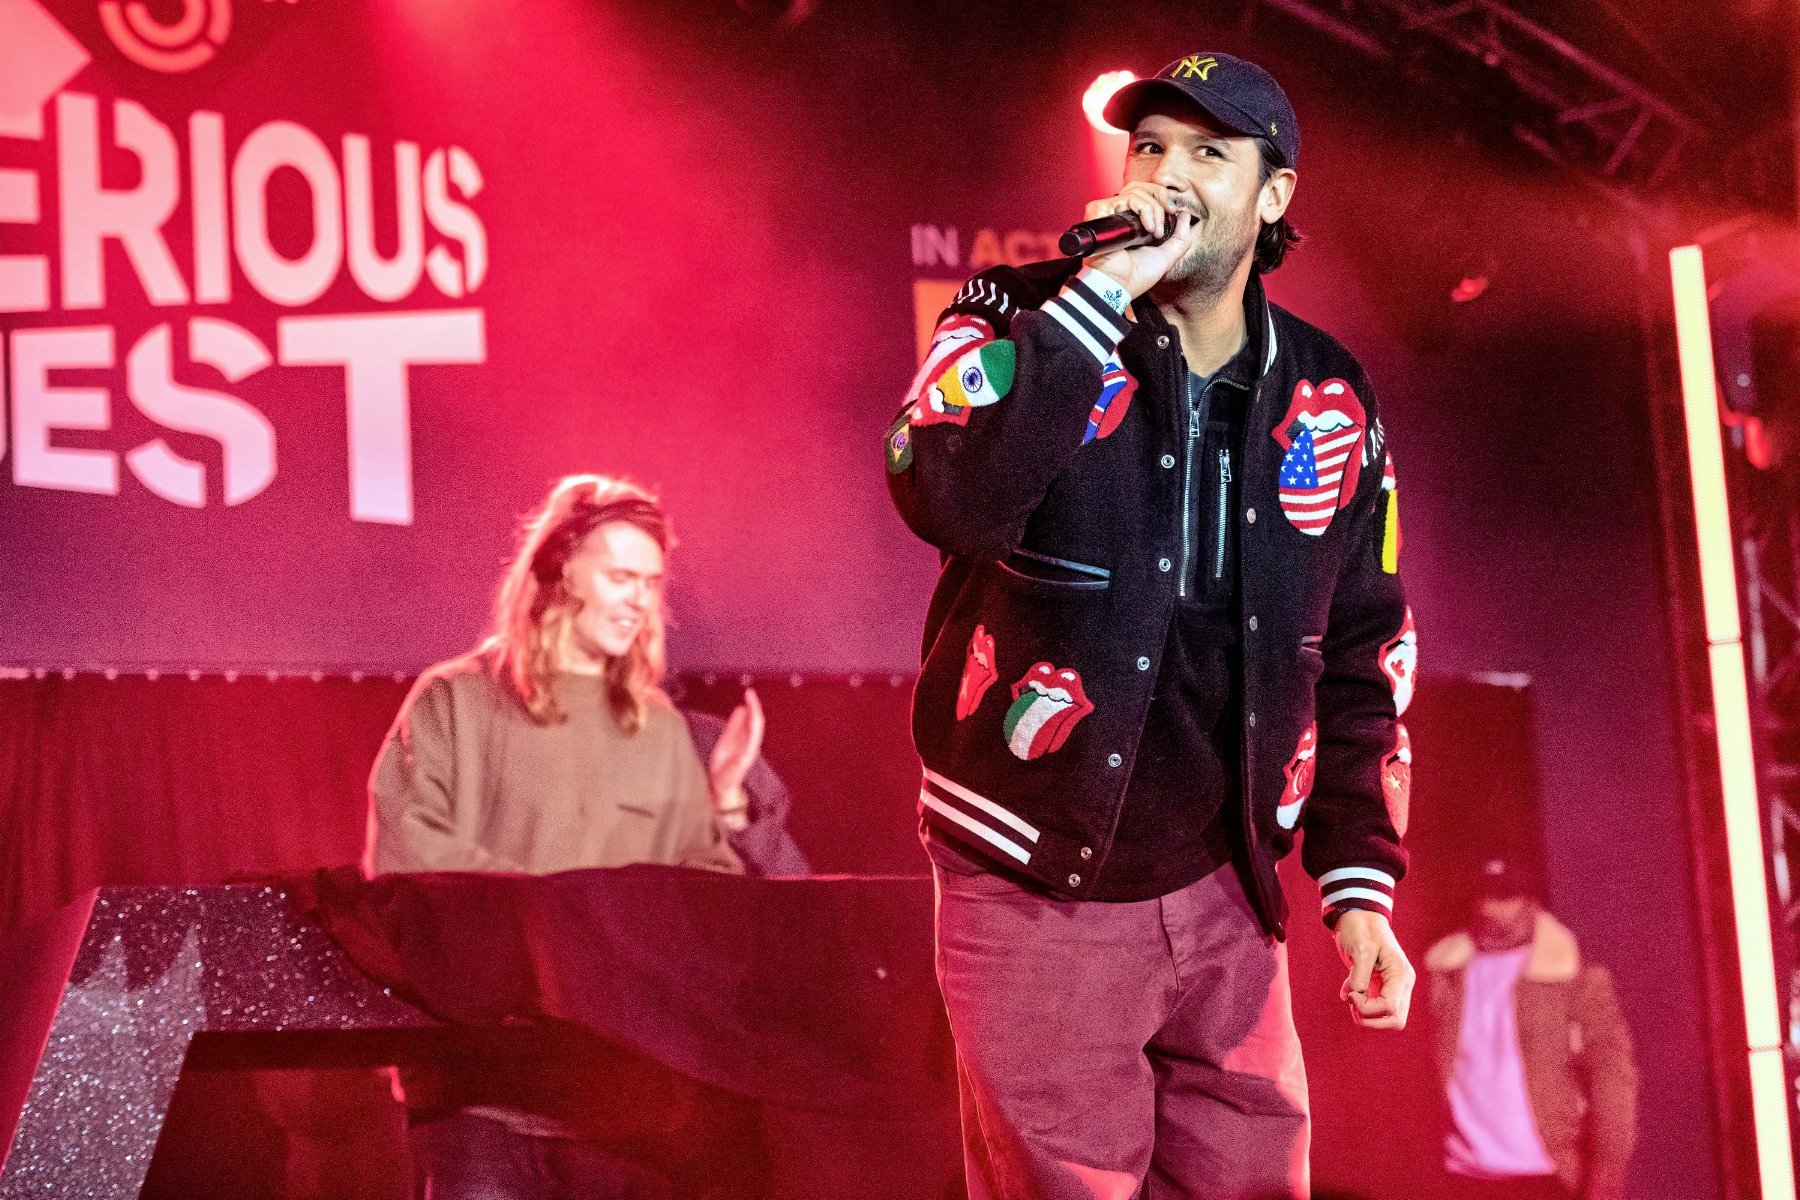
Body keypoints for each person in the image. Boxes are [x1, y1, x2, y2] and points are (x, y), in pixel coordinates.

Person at [884, 50, 1416, 1199]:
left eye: (1208, 153)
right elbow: (946, 494)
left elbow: (1362, 649)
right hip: (1036, 872)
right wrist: (1099, 299)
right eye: (1150, 147)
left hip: (1230, 889)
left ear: (1273, 195)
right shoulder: (1013, 315)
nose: (1167, 173)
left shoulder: (1327, 390)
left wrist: (1358, 885)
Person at [364, 474, 766, 1200]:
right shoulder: (453, 700)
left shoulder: (658, 728)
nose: (640, 600)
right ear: (557, 573)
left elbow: (706, 894)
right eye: (620, 576)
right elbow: (408, 866)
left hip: (631, 1107)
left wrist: (729, 814)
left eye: (650, 582)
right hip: (480, 1101)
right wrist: (579, 930)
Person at [1424, 856, 1638, 1200]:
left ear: (1530, 900)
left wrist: (1606, 1178)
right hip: (1461, 1177)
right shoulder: (1441, 974)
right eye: (1485, 894)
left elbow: (1611, 1077)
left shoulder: (1576, 978)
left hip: (1549, 1179)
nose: (1492, 907)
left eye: (1507, 895)